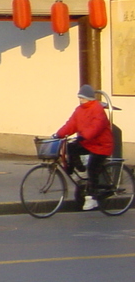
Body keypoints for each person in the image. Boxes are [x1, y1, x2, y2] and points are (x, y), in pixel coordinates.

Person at [54, 83, 113, 211]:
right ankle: (79, 169)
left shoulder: (97, 109)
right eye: (80, 98)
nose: (81, 100)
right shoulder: (79, 110)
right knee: (71, 147)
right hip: (88, 143)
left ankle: (92, 199)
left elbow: (97, 126)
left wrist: (83, 136)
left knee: (92, 168)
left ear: (90, 98)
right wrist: (58, 134)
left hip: (101, 145)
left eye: (83, 98)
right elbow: (71, 124)